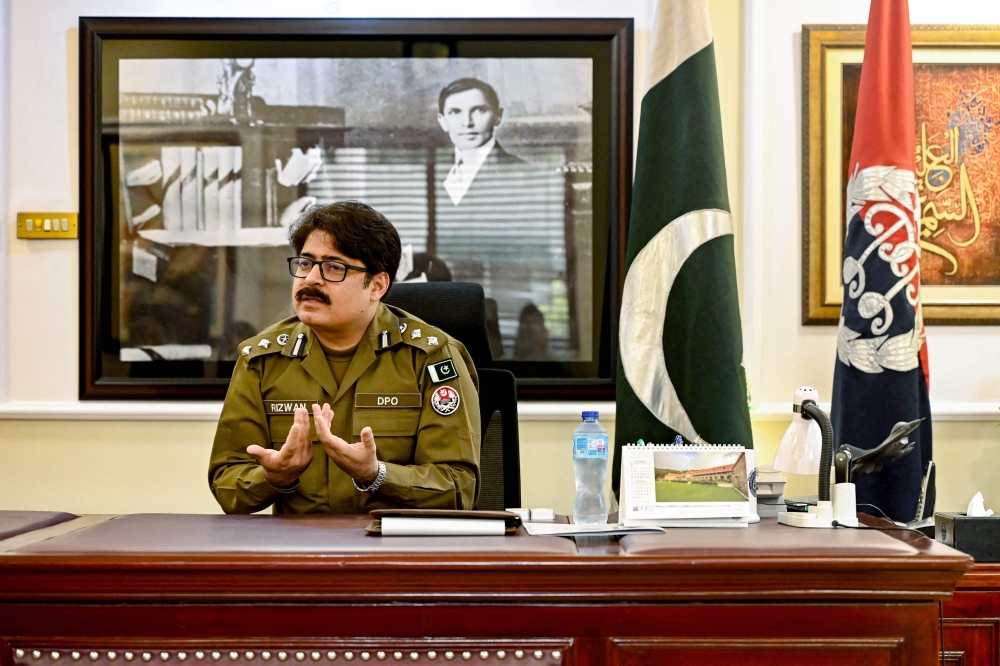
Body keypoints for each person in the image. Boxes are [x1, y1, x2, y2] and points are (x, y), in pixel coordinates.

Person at [208, 201, 481, 514]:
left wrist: (377, 474)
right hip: (300, 552)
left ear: (376, 285)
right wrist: (272, 476)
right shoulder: (261, 358)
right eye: (305, 263)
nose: (310, 279)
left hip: (393, 550)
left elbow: (458, 488)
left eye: (334, 268)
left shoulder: (430, 356)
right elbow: (227, 485)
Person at [436, 77, 525, 206]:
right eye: (455, 112)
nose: (467, 123)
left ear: (497, 116)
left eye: (479, 110)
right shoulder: (435, 171)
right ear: (442, 121)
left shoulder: (521, 174)